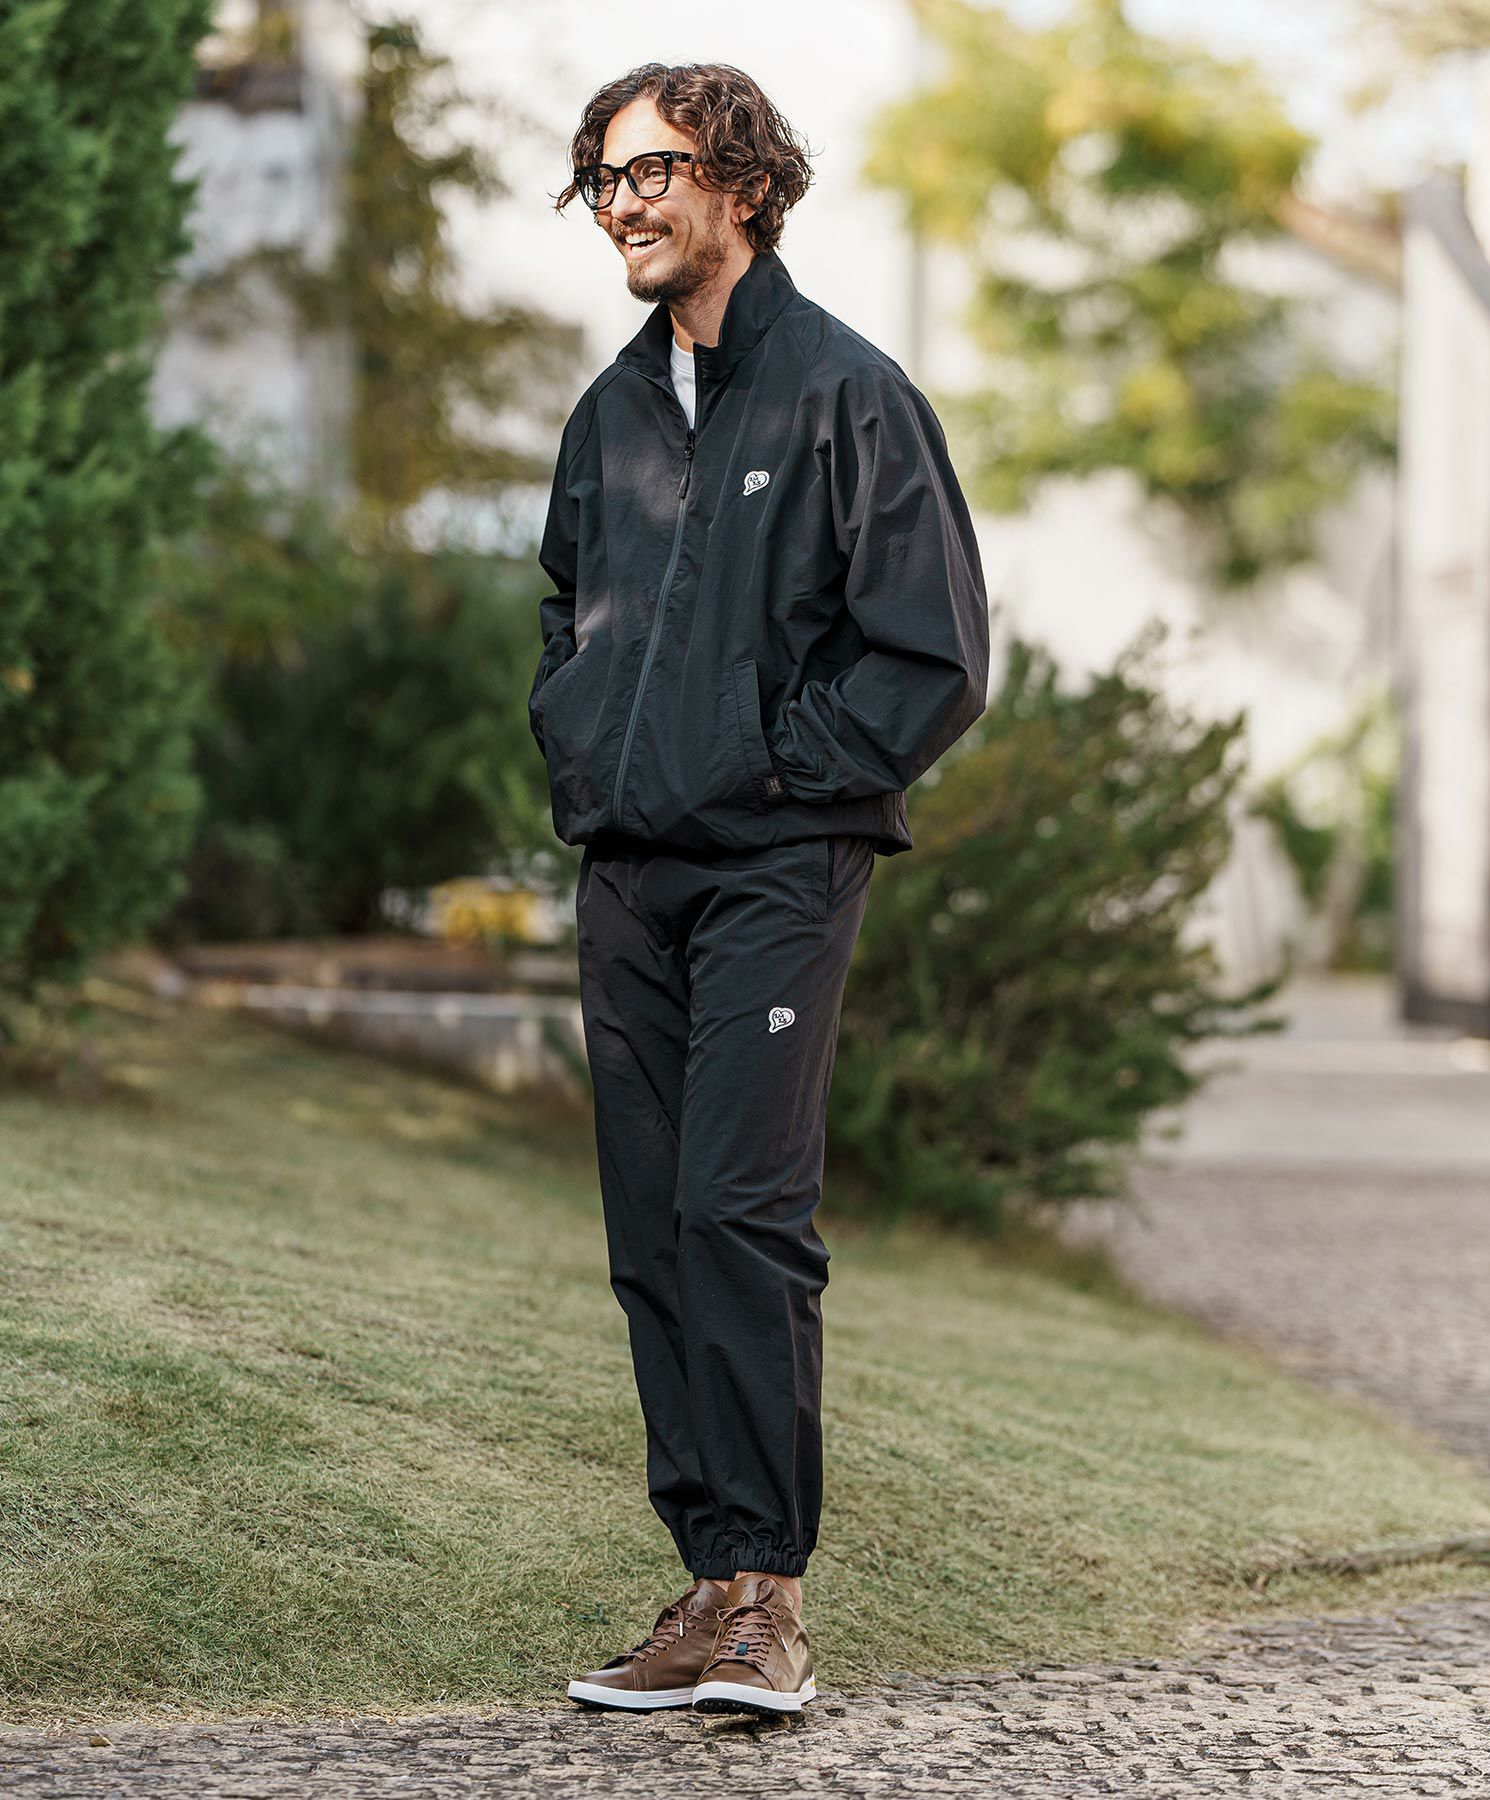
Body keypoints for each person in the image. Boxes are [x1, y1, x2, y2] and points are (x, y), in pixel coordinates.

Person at [530, 61, 990, 1718]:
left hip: (779, 869)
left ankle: (772, 1604)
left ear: (746, 182)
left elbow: (933, 652)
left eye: (655, 169)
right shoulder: (609, 413)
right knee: (655, 1227)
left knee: (739, 1209)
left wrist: (773, 771)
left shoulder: (846, 394)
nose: (625, 202)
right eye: (606, 178)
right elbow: (568, 614)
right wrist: (587, 752)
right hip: (630, 873)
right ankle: (707, 1580)